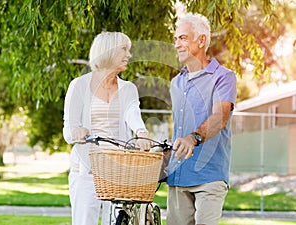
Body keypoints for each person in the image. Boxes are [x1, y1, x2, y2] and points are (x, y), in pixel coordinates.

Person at [63, 31, 150, 225]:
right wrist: (77, 132)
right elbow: (68, 130)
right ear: (108, 51)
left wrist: (141, 132)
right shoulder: (78, 86)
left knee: (117, 221)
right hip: (86, 170)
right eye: (124, 50)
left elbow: (132, 113)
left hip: (117, 171)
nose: (129, 55)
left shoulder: (128, 89)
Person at [166, 13, 237, 225]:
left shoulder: (223, 77)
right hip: (178, 175)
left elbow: (220, 117)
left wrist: (193, 137)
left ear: (202, 40)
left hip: (210, 176)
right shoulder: (176, 83)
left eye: (183, 38)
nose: (177, 44)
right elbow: (179, 128)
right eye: (176, 38)